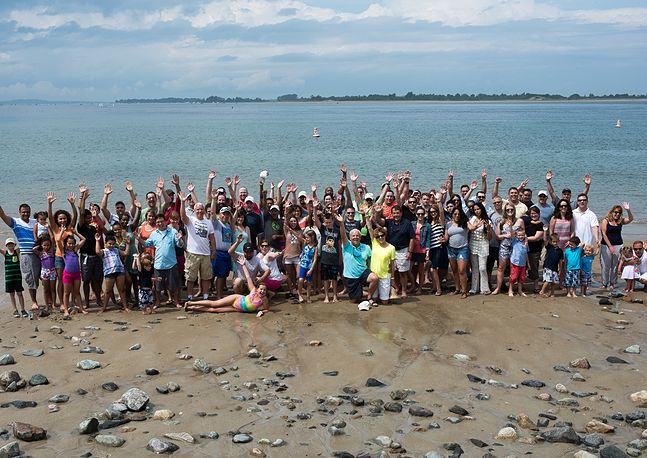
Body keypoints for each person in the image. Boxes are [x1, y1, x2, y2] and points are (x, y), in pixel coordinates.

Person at [184, 257, 270, 316]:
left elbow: (266, 309)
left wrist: (261, 312)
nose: (262, 291)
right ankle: (191, 303)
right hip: (236, 299)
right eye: (261, 289)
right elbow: (248, 277)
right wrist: (243, 265)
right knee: (214, 304)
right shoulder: (253, 290)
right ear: (257, 289)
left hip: (239, 309)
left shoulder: (264, 299)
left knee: (215, 310)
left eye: (264, 290)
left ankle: (192, 308)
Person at [0, 203, 40, 313]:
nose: (26, 213)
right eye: (23, 212)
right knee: (30, 279)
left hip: (38, 253)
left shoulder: (35, 222)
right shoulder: (15, 222)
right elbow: (2, 215)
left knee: (40, 277)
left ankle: (49, 301)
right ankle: (34, 302)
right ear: (20, 212)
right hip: (26, 255)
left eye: (27, 211)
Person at [179, 191, 216, 301]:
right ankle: (190, 296)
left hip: (205, 254)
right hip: (193, 253)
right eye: (197, 209)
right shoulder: (190, 220)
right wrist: (182, 202)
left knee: (206, 277)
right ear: (194, 211)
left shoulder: (208, 222)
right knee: (190, 277)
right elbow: (182, 216)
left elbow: (212, 238)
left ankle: (205, 296)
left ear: (204, 210)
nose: (199, 211)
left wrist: (214, 251)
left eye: (201, 209)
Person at [335, 212, 378, 304]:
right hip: (351, 276)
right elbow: (343, 236)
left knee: (374, 278)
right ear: (350, 237)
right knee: (354, 301)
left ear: (360, 237)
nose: (355, 237)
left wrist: (372, 270)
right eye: (353, 236)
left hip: (363, 272)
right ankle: (360, 293)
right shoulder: (347, 245)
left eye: (357, 236)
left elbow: (370, 260)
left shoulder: (366, 247)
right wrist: (341, 224)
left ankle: (369, 297)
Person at [142, 213, 184, 308]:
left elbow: (180, 244)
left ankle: (176, 301)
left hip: (171, 263)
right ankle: (157, 302)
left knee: (174, 285)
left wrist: (180, 239)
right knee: (157, 286)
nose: (160, 223)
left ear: (165, 221)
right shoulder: (154, 233)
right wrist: (138, 238)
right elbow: (146, 244)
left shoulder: (172, 231)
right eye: (158, 222)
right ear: (156, 223)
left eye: (161, 221)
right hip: (158, 264)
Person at [600, 203, 633, 290]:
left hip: (618, 245)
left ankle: (612, 283)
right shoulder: (605, 220)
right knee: (605, 265)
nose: (617, 214)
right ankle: (604, 283)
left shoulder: (620, 221)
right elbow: (603, 234)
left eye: (619, 213)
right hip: (606, 245)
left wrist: (628, 210)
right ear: (612, 212)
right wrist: (610, 246)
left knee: (615, 265)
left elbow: (631, 219)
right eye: (615, 212)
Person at [56, 227, 87, 317]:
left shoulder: (75, 250)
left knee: (77, 292)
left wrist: (75, 232)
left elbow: (84, 239)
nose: (71, 245)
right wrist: (62, 231)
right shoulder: (63, 252)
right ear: (66, 244)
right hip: (67, 275)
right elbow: (58, 241)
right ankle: (66, 310)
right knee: (66, 293)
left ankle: (81, 308)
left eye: (72, 243)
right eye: (69, 243)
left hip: (77, 274)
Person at [491, 203, 521, 295]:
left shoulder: (519, 221)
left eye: (511, 209)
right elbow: (498, 236)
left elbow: (523, 234)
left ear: (514, 210)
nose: (510, 211)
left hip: (515, 247)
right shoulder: (501, 222)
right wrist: (505, 235)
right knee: (501, 267)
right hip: (504, 247)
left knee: (513, 268)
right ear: (505, 211)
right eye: (508, 210)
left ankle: (510, 289)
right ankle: (498, 288)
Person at [96, 232, 129, 313]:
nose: (111, 245)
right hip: (109, 272)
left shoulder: (116, 250)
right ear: (106, 243)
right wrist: (97, 241)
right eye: (109, 243)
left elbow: (125, 253)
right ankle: (104, 307)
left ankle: (125, 307)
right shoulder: (104, 251)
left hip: (119, 271)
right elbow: (97, 252)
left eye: (113, 244)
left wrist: (128, 244)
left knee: (122, 290)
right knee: (108, 291)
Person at [367, 216, 396, 305]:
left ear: (385, 235)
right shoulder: (375, 243)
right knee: (375, 299)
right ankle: (374, 296)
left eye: (382, 235)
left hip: (385, 275)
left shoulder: (391, 248)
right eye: (378, 236)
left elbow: (392, 264)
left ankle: (386, 295)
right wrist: (366, 217)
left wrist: (392, 278)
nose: (380, 238)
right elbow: (369, 228)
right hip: (374, 275)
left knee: (384, 302)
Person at [445, 206, 470, 298]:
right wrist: (442, 239)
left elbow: (472, 228)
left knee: (461, 270)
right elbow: (446, 237)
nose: (457, 215)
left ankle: (464, 291)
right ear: (452, 214)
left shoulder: (464, 223)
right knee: (454, 270)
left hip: (463, 248)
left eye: (459, 214)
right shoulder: (448, 224)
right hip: (451, 249)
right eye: (455, 214)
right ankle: (457, 289)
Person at [210, 203, 234, 299]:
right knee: (219, 275)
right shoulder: (216, 223)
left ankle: (219, 293)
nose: (225, 216)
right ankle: (218, 294)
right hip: (218, 252)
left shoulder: (228, 225)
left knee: (224, 274)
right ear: (219, 215)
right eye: (223, 214)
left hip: (226, 253)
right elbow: (212, 214)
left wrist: (232, 211)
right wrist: (214, 199)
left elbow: (233, 220)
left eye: (227, 214)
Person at [467, 202, 491, 295]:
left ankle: (484, 288)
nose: (477, 211)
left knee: (482, 268)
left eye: (478, 209)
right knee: (475, 267)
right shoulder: (471, 219)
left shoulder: (487, 220)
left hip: (483, 244)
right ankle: (474, 288)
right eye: (475, 209)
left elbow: (489, 237)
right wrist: (476, 225)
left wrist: (488, 229)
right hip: (473, 244)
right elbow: (470, 228)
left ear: (482, 209)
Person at [319, 212, 341, 303]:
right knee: (325, 279)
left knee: (334, 278)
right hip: (324, 258)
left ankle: (335, 296)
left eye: (329, 222)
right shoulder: (323, 229)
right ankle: (327, 296)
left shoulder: (337, 230)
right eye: (326, 222)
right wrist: (315, 208)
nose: (327, 224)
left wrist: (340, 257)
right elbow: (316, 221)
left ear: (332, 221)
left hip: (334, 258)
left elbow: (339, 245)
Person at [522, 206, 545, 293]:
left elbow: (536, 237)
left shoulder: (541, 225)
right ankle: (522, 285)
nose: (533, 215)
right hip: (524, 248)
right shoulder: (526, 222)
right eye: (532, 213)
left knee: (534, 267)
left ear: (539, 214)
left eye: (535, 213)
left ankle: (536, 285)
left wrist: (524, 238)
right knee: (523, 267)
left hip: (535, 249)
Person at [2, 237, 27, 318]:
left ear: (14, 245)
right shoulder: (5, 253)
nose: (10, 246)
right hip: (9, 278)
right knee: (11, 294)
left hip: (17, 278)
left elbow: (23, 245)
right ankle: (15, 310)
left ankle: (23, 310)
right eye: (9, 244)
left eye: (12, 244)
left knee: (20, 293)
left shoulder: (17, 252)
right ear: (6, 245)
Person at [33, 232, 56, 315]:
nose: (46, 247)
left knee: (53, 289)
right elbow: (34, 249)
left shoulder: (52, 252)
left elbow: (52, 240)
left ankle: (53, 304)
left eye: (48, 245)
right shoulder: (40, 253)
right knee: (46, 290)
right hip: (44, 272)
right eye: (44, 245)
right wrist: (40, 242)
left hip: (53, 271)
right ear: (42, 245)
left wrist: (49, 242)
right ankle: (47, 305)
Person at [411, 206, 431, 295]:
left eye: (422, 214)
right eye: (418, 214)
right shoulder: (412, 224)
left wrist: (427, 252)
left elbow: (428, 239)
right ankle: (413, 284)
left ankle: (420, 288)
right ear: (416, 214)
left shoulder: (427, 226)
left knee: (421, 270)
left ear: (425, 215)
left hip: (422, 249)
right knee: (408, 269)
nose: (420, 216)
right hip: (412, 249)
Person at [283, 214, 303, 299]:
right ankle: (291, 291)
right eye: (291, 221)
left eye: (294, 221)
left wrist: (290, 230)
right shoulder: (286, 230)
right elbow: (284, 223)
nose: (293, 222)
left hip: (297, 256)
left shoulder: (300, 231)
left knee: (299, 275)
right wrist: (286, 210)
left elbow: (301, 240)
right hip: (288, 256)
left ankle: (299, 292)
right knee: (289, 275)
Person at [297, 229, 318, 303]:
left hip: (309, 266)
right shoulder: (305, 244)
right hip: (303, 265)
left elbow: (315, 259)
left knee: (309, 283)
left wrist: (311, 269)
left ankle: (308, 297)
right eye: (305, 237)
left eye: (307, 237)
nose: (306, 239)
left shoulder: (315, 247)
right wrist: (301, 254)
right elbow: (303, 250)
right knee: (300, 280)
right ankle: (299, 294)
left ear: (312, 237)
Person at [509, 228, 529, 297]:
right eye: (519, 235)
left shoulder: (526, 243)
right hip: (515, 263)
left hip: (523, 263)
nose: (521, 236)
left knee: (522, 278)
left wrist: (528, 263)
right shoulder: (515, 241)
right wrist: (511, 226)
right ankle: (510, 290)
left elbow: (526, 254)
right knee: (513, 277)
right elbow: (512, 234)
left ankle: (520, 291)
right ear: (516, 235)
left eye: (522, 235)